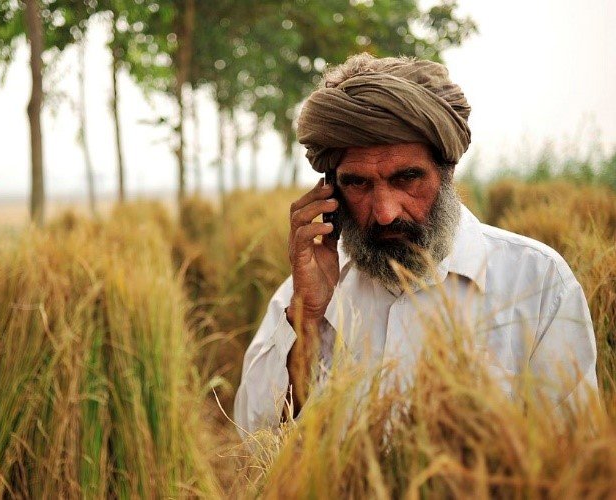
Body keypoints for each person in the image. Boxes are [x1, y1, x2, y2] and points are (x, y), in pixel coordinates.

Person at [234, 53, 598, 433]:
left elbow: (571, 455)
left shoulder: (537, 283)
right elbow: (253, 438)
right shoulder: (305, 294)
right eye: (358, 183)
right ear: (331, 192)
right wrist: (306, 320)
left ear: (446, 172)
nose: (386, 212)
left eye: (407, 178)